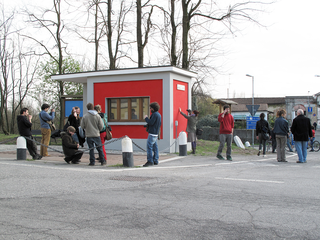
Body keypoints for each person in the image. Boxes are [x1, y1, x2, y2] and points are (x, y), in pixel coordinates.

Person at [143, 102, 161, 167]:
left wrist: (146, 118)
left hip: (152, 134)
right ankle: (155, 160)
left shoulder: (154, 114)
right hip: (156, 133)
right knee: (155, 147)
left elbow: (151, 122)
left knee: (149, 147)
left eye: (150, 108)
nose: (150, 109)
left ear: (153, 108)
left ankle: (150, 161)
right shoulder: (158, 115)